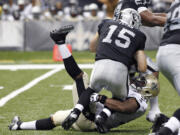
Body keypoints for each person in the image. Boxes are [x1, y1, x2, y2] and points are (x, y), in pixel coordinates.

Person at [53, 8, 147, 133]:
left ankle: (75, 112)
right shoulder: (140, 36)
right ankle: (102, 116)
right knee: (120, 98)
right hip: (119, 70)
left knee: (91, 88)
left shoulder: (106, 23)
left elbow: (92, 47)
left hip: (100, 64)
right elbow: (142, 67)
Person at [89, 0, 166, 123]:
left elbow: (149, 17)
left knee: (129, 76)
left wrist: (171, 16)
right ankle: (152, 110)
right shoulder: (134, 2)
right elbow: (151, 19)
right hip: (123, 48)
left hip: (110, 48)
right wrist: (174, 21)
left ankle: (87, 105)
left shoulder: (126, 3)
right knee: (152, 72)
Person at [9, 72, 159, 132]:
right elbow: (118, 104)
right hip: (94, 120)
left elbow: (123, 106)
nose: (139, 81)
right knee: (56, 118)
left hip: (93, 116)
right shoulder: (138, 98)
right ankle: (18, 126)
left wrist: (101, 98)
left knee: (82, 78)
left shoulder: (140, 102)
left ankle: (62, 46)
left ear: (147, 90)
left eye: (142, 82)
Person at [150, 0, 180, 134]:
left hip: (163, 52)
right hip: (176, 52)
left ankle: (164, 125)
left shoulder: (175, 3)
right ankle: (164, 131)